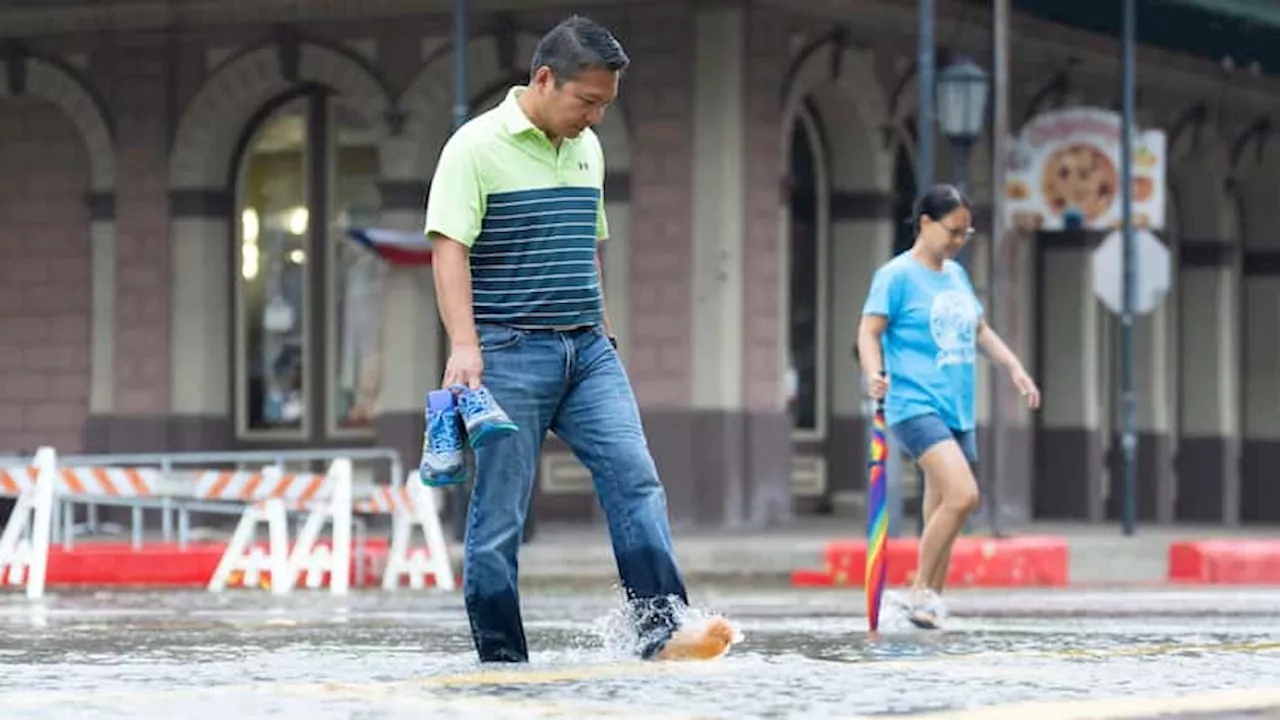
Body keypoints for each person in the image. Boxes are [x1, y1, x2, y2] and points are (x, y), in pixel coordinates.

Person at [423, 14, 736, 664]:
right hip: (507, 350)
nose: (594, 117)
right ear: (544, 78)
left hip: (589, 352)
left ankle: (660, 630)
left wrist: (607, 333)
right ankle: (503, 660)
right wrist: (464, 344)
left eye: (604, 105)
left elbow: (587, 247)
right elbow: (448, 248)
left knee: (636, 478)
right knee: (500, 515)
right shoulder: (473, 148)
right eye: (586, 101)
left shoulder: (587, 148)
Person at [856, 184, 1041, 629]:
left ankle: (930, 599)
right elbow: (868, 330)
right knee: (964, 495)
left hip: (956, 405)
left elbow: (979, 330)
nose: (958, 241)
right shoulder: (897, 276)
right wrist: (872, 372)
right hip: (914, 403)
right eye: (953, 231)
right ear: (925, 223)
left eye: (965, 233)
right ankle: (917, 590)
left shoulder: (956, 276)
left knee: (943, 506)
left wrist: (1014, 367)